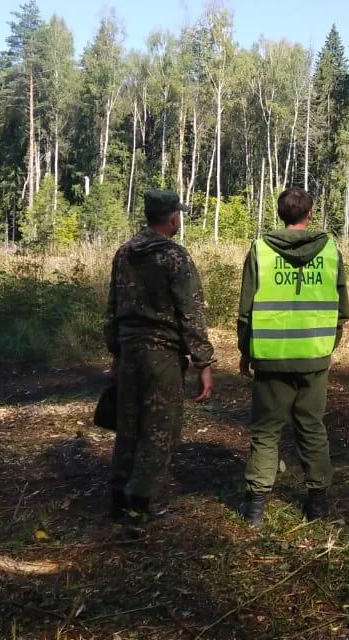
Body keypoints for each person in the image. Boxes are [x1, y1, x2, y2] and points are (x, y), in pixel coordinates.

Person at [236, 188, 349, 527]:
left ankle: (255, 510)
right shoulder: (330, 250)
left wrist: (246, 351)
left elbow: (246, 311)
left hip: (271, 358)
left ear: (280, 212)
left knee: (266, 432)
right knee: (312, 427)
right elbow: (342, 309)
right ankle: (317, 504)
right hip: (314, 356)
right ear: (309, 213)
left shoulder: (260, 250)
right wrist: (327, 347)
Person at [104, 189, 215, 523]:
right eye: (178, 214)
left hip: (129, 352)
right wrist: (203, 361)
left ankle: (118, 497)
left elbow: (113, 307)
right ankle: (141, 503)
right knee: (159, 428)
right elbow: (190, 312)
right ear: (172, 217)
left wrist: (117, 349)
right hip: (161, 355)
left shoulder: (124, 253)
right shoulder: (174, 257)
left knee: (128, 426)